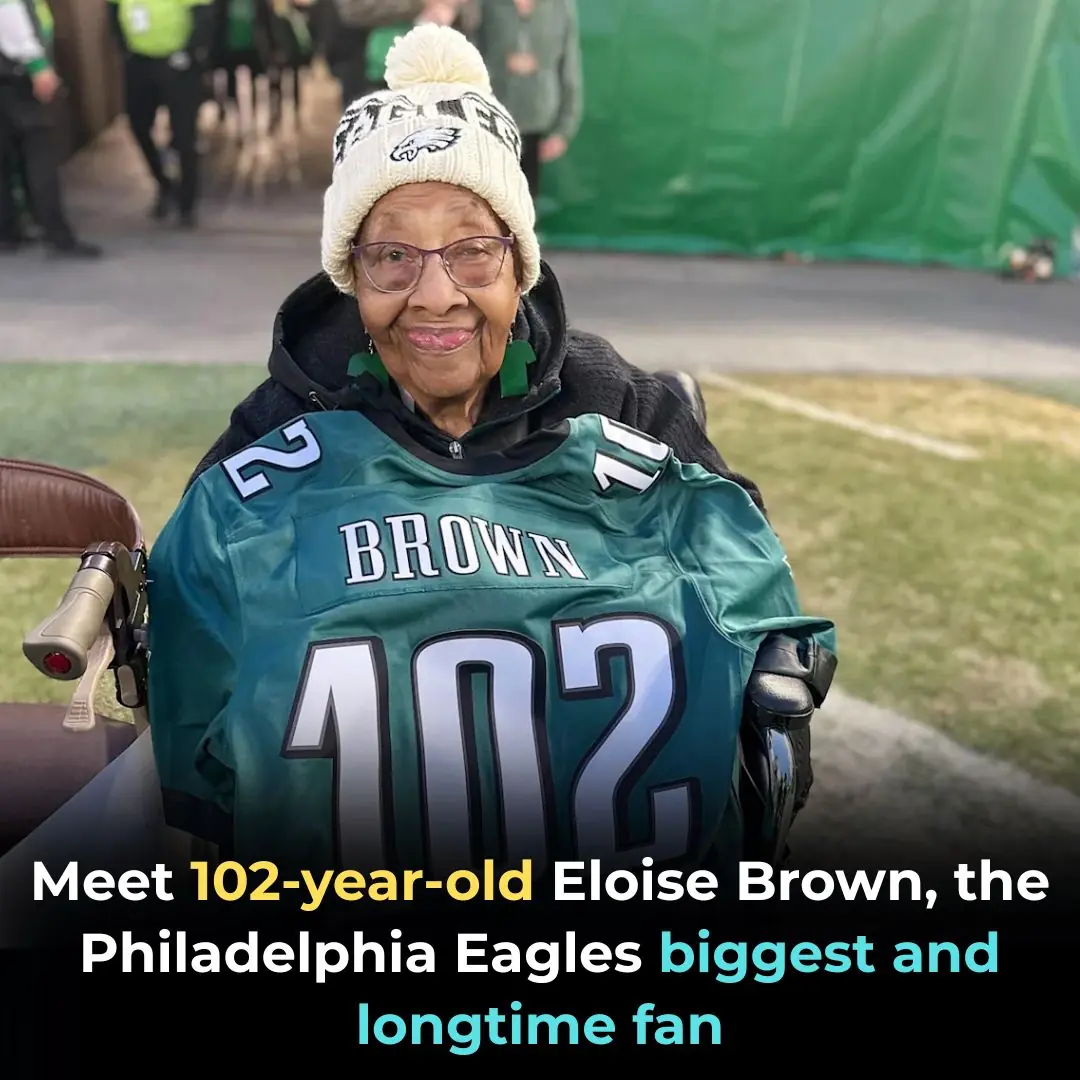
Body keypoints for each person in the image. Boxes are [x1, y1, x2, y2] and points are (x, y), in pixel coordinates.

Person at [144, 24, 833, 874]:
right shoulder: (274, 439)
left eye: (474, 249)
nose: (437, 295)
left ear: (520, 265)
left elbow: (764, 611)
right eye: (392, 255)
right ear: (350, 274)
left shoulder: (622, 406)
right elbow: (193, 689)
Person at [0, 0, 101, 256]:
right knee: (41, 158)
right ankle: (58, 237)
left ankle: (7, 233)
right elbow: (10, 20)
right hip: (18, 81)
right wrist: (38, 67)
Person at [106, 0, 215, 227]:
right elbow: (113, 13)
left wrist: (189, 52)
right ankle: (164, 184)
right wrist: (124, 48)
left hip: (177, 64)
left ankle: (187, 203)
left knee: (185, 135)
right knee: (138, 124)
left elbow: (205, 16)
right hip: (140, 62)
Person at [473, 0, 581, 199]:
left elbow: (569, 65)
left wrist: (564, 128)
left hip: (539, 122)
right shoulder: (485, 5)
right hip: (491, 123)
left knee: (527, 206)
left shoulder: (560, 7)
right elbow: (470, 54)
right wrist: (502, 64)